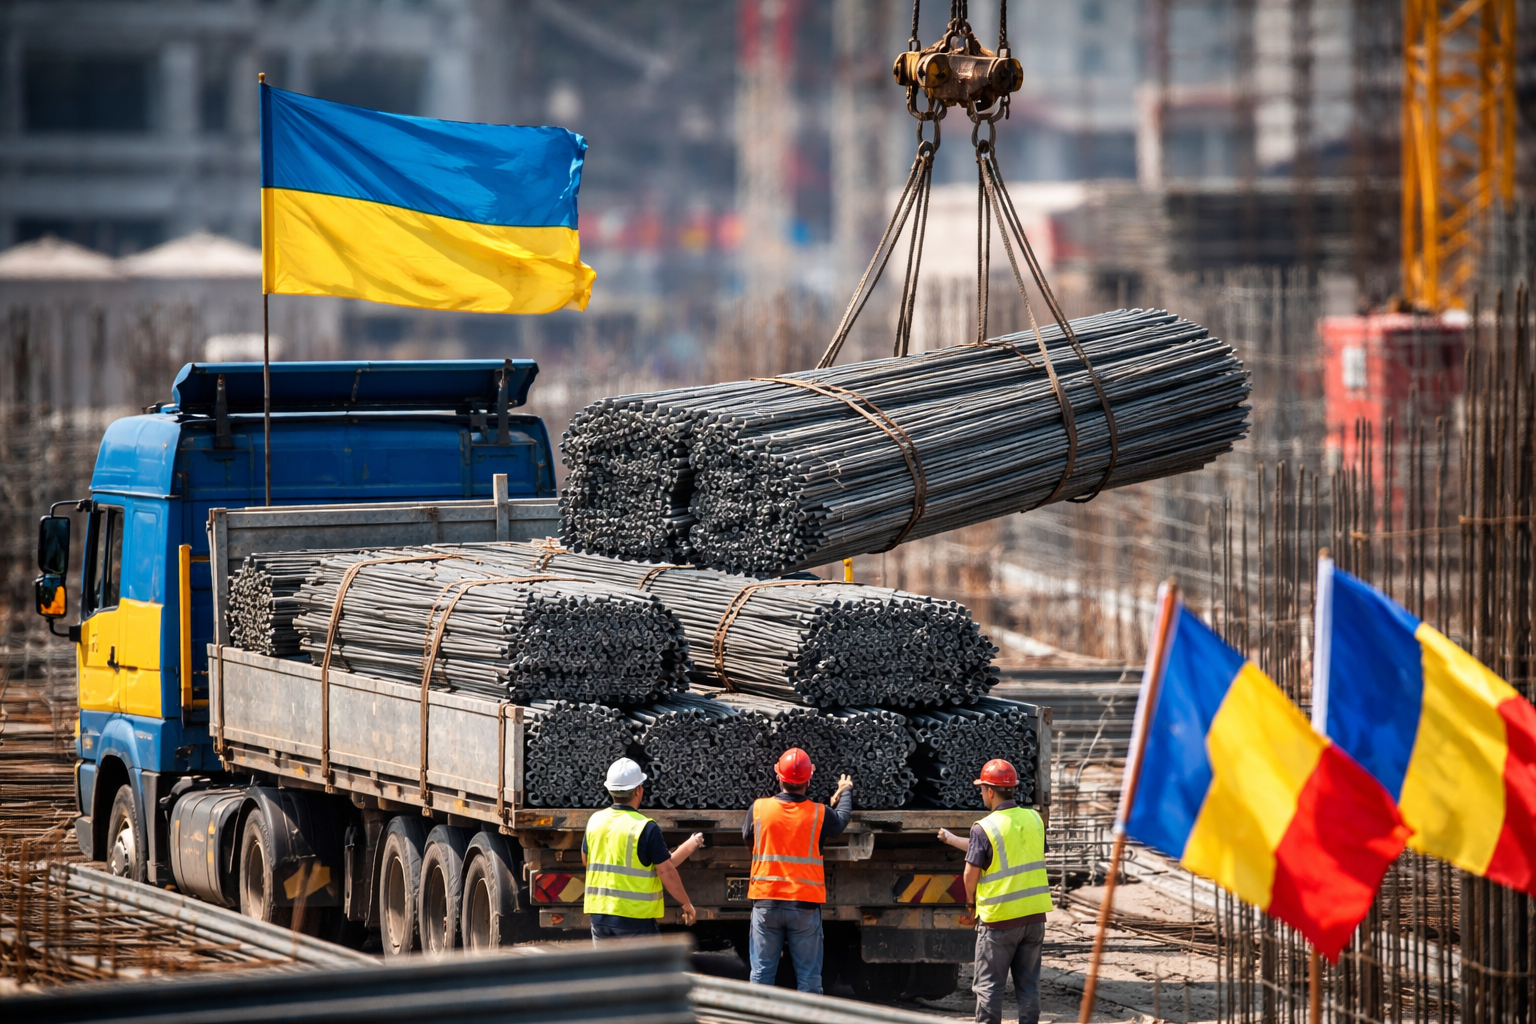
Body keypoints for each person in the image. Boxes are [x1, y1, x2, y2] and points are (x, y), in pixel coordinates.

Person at [937, 758, 1052, 1024]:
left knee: (989, 986)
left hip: (1000, 921)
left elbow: (971, 871)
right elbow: (1005, 850)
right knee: (1029, 986)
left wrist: (970, 905)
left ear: (990, 791)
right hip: (1035, 917)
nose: (981, 794)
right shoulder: (1034, 818)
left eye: (982, 789)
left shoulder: (985, 826)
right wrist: (952, 839)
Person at [743, 747, 853, 994]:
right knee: (809, 979)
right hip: (804, 905)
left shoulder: (759, 809)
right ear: (808, 780)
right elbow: (842, 820)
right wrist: (845, 792)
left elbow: (750, 842)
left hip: (766, 902)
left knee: (761, 975)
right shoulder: (819, 813)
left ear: (779, 777)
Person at [583, 757, 705, 941]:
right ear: (639, 790)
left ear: (609, 790)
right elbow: (666, 871)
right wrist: (686, 903)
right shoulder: (645, 827)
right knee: (646, 970)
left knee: (609, 969)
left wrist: (691, 843)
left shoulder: (595, 821)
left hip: (600, 916)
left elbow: (587, 861)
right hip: (634, 918)